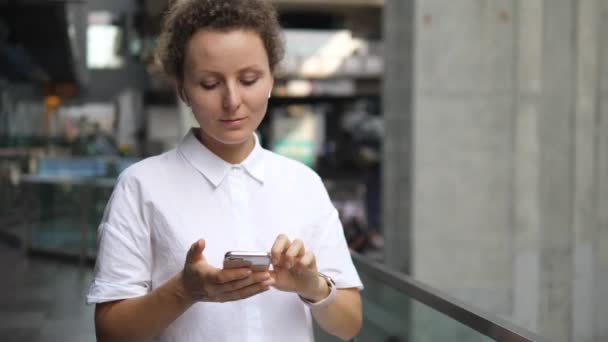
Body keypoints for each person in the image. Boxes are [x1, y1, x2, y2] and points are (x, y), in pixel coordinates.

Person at [86, 1, 363, 341]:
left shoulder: (304, 184)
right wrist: (185, 290)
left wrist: (314, 287)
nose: (232, 100)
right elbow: (110, 333)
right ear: (182, 88)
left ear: (272, 78)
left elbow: (350, 324)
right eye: (209, 83)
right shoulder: (141, 186)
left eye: (249, 79)